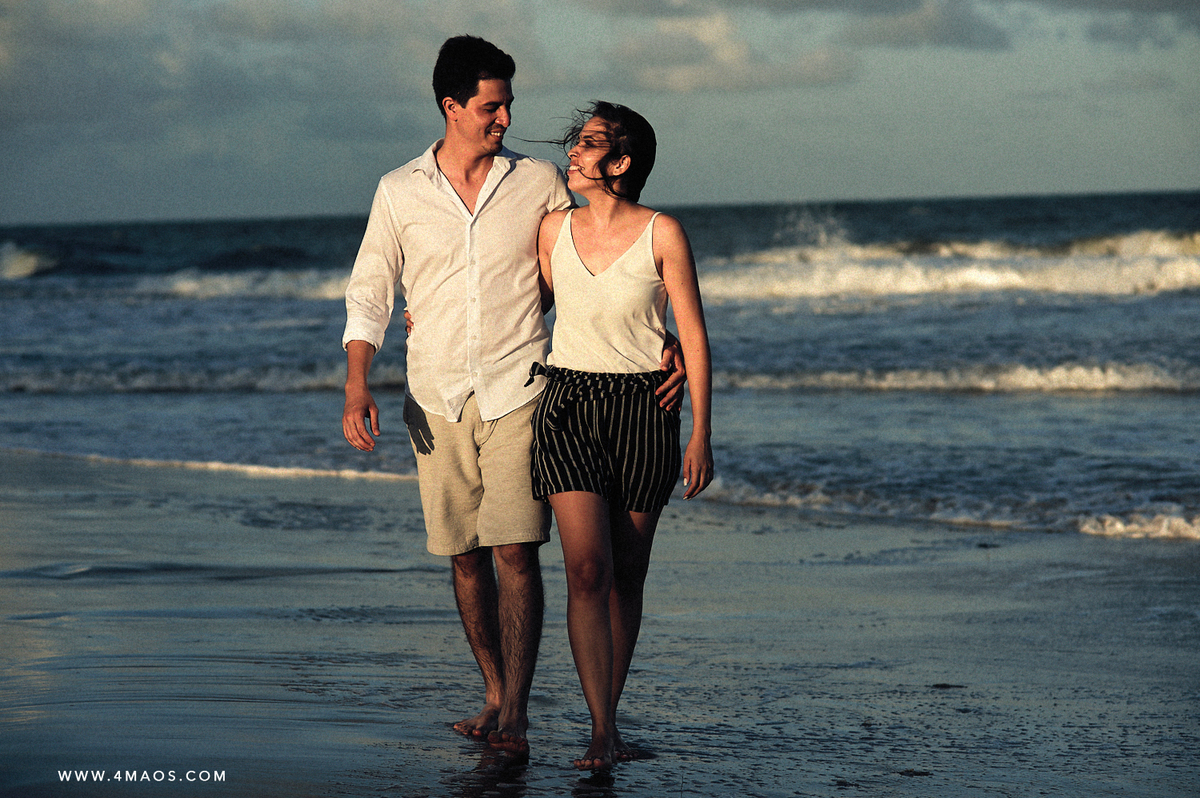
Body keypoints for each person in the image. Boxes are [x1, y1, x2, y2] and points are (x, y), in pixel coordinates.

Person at [340, 39, 684, 757]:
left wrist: (661, 335)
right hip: (433, 394)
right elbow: (370, 289)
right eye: (491, 107)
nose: (505, 119)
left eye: (508, 106)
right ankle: (495, 691)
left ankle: (518, 711)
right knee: (464, 556)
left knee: (516, 550)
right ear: (452, 106)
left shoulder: (539, 181)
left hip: (520, 388)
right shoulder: (399, 190)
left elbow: (594, 257)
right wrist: (357, 381)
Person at [530, 101, 714, 770]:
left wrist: (700, 433)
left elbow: (693, 334)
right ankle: (601, 731)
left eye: (588, 144)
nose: (573, 154)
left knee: (625, 577)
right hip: (568, 405)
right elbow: (521, 309)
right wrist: (426, 317)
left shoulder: (663, 233)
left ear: (622, 161)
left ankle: (608, 721)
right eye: (575, 143)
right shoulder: (552, 228)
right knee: (586, 568)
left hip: (645, 410)